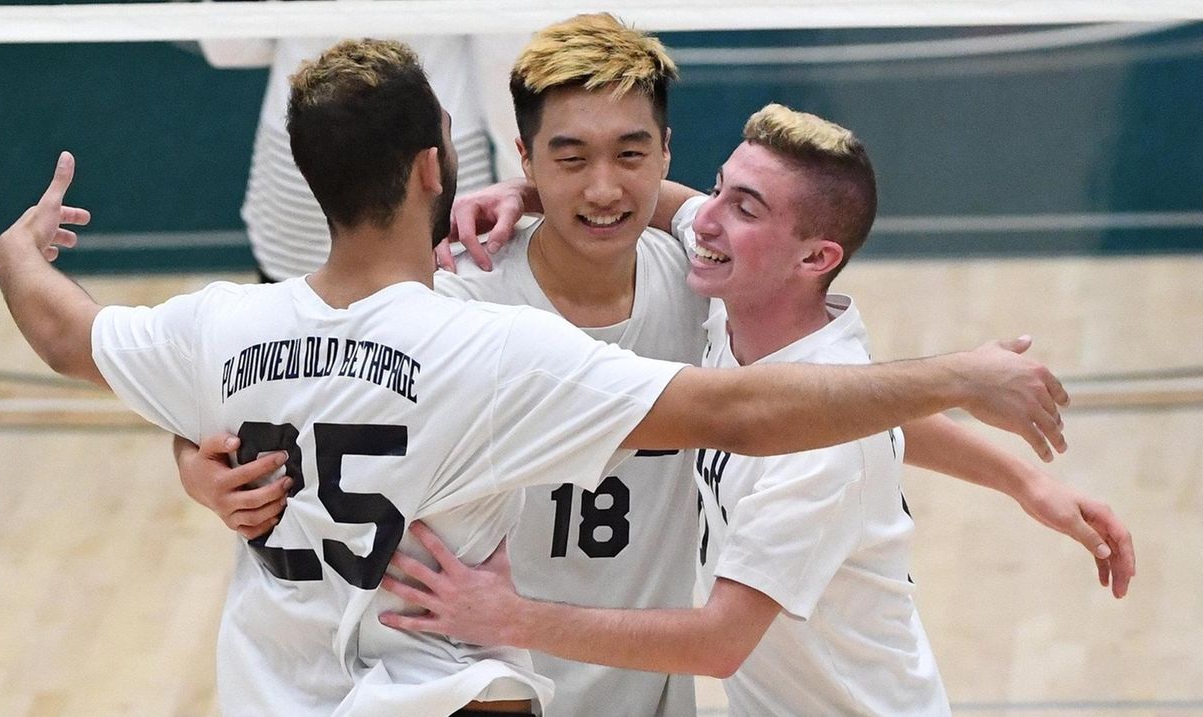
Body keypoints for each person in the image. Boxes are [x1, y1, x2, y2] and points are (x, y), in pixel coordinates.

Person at [0, 34, 1073, 717]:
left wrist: (1014, 475)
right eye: (567, 158)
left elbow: (807, 399)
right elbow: (764, 413)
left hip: (622, 689)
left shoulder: (703, 281)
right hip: (482, 676)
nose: (605, 188)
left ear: (662, 156)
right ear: (494, 159)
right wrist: (201, 461)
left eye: (632, 156)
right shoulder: (468, 313)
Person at [377, 104, 1134, 715]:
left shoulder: (817, 451)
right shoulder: (743, 301)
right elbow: (873, 408)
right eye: (719, 187)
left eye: (743, 207)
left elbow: (717, 643)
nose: (705, 221)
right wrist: (535, 191)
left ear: (815, 258)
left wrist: (507, 616)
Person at [200, 25, 524, 281]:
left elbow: (228, 45)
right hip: (427, 173)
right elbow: (502, 61)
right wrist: (526, 197)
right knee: (424, 349)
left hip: (303, 172)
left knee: (296, 353)